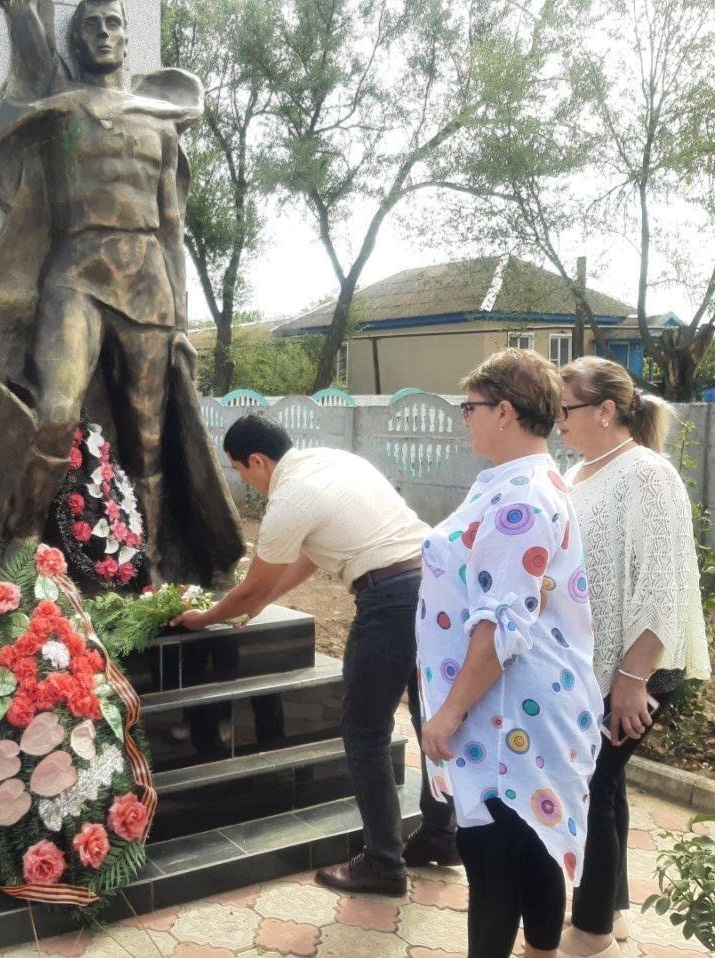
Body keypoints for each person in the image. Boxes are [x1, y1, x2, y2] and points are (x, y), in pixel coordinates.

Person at [0, 0, 244, 587]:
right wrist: (18, 11)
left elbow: (172, 228)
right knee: (56, 413)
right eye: (91, 25)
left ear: (126, 38)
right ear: (76, 39)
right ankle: (19, 539)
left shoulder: (160, 122)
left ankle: (151, 564)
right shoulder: (61, 109)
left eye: (113, 23)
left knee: (149, 440)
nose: (104, 33)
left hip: (148, 283)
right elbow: (32, 56)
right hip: (76, 274)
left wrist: (182, 321)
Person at [172, 414, 458, 896]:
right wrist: (257, 602)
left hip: (390, 600)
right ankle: (441, 834)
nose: (246, 482)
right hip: (438, 588)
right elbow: (309, 556)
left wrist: (203, 617)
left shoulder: (289, 499)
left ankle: (383, 863)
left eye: (242, 471)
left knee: (364, 731)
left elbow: (249, 589)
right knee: (430, 713)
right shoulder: (333, 462)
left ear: (258, 460)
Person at [417, 349, 601, 958]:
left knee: (494, 873)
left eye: (469, 407)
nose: (463, 418)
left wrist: (448, 713)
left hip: (501, 718)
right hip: (519, 711)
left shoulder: (521, 498)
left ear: (503, 411)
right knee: (534, 850)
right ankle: (543, 951)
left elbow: (500, 628)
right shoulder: (518, 482)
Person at [556, 357, 711, 958]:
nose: (557, 420)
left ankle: (590, 931)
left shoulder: (646, 473)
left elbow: (663, 586)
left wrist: (631, 679)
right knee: (608, 784)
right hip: (599, 668)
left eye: (565, 409)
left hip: (638, 668)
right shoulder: (579, 473)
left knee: (590, 785)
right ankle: (615, 907)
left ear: (605, 410)